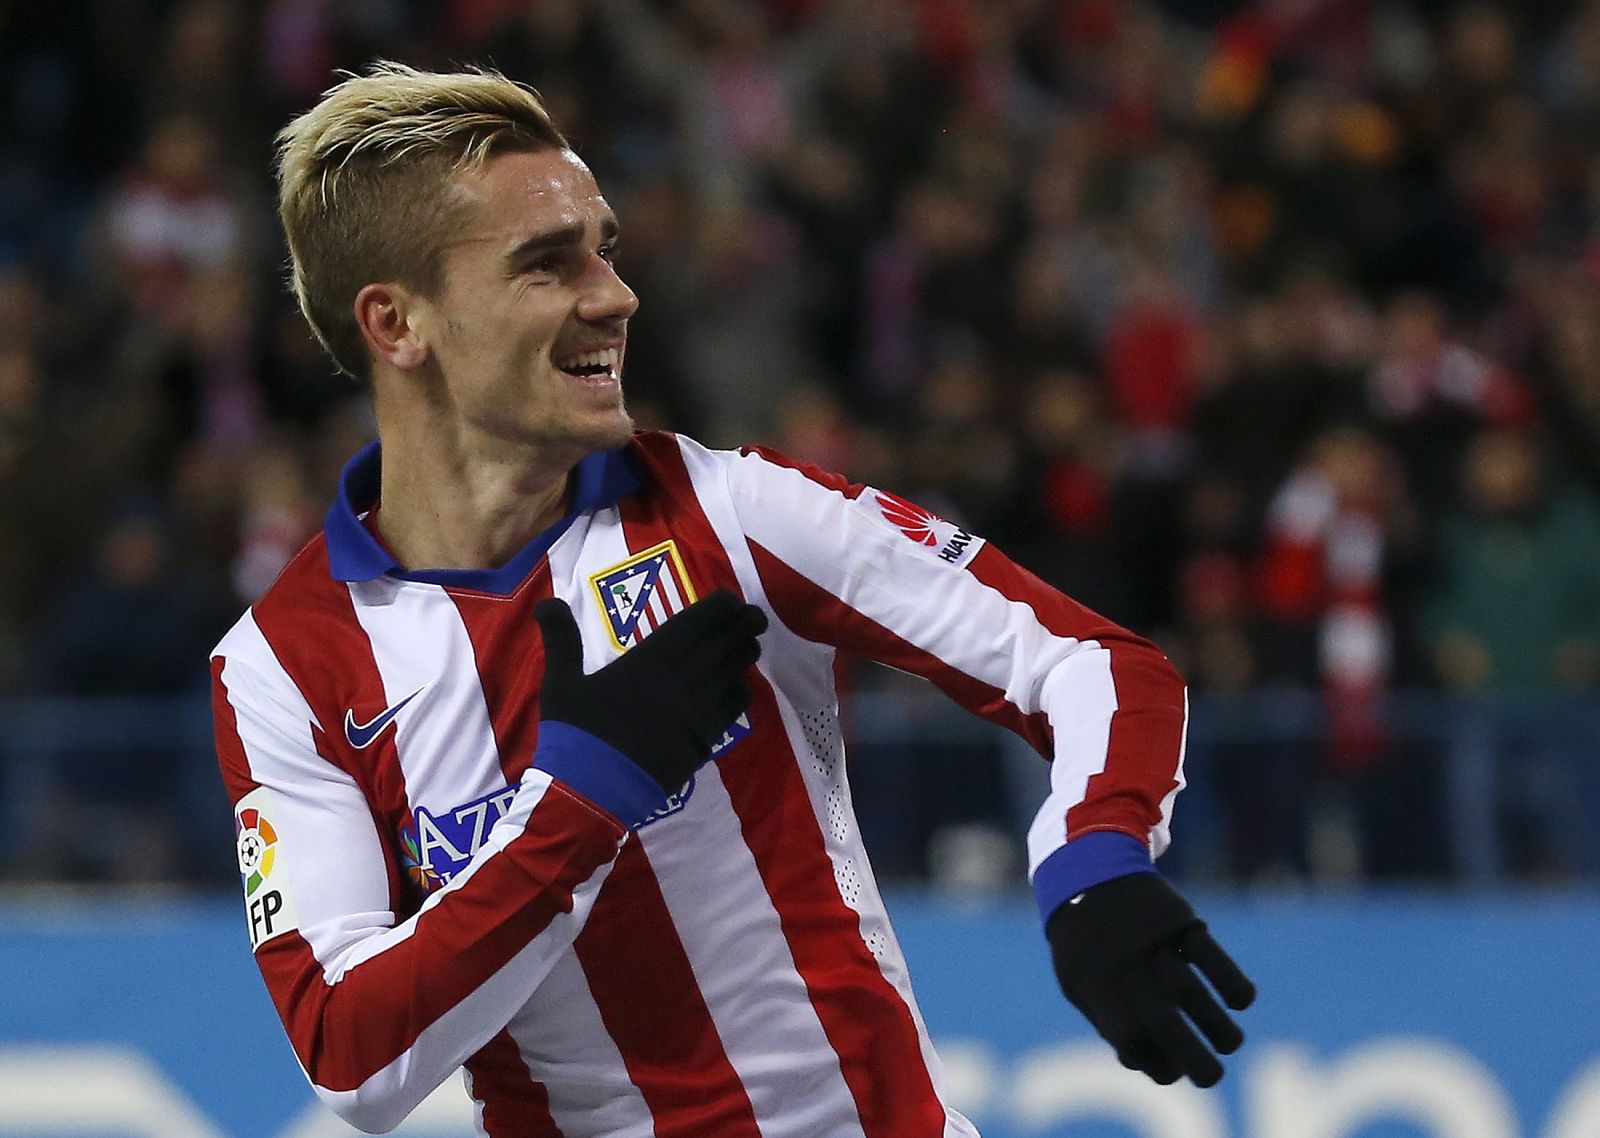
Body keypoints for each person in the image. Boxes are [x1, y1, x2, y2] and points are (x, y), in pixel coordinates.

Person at [210, 63, 1254, 1137]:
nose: (613, 295)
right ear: (396, 323)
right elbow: (351, 1057)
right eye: (545, 263)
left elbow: (1085, 659)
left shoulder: (735, 512)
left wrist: (1092, 859)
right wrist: (583, 799)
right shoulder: (283, 666)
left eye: (603, 247)